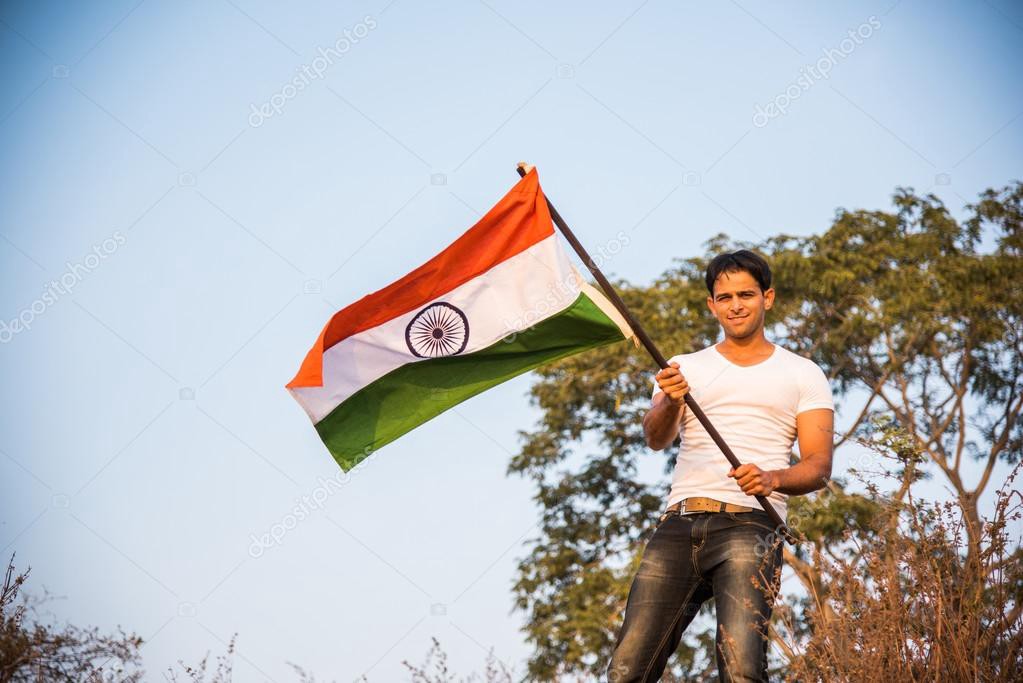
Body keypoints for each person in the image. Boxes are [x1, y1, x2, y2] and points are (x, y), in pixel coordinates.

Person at [606, 249, 835, 682]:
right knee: (626, 667)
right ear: (712, 305)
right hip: (679, 522)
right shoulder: (684, 366)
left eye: (745, 294)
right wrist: (671, 399)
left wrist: (772, 478)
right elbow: (655, 437)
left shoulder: (803, 373)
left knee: (742, 670)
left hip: (751, 527)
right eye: (724, 297)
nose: (735, 305)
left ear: (768, 298)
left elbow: (819, 466)